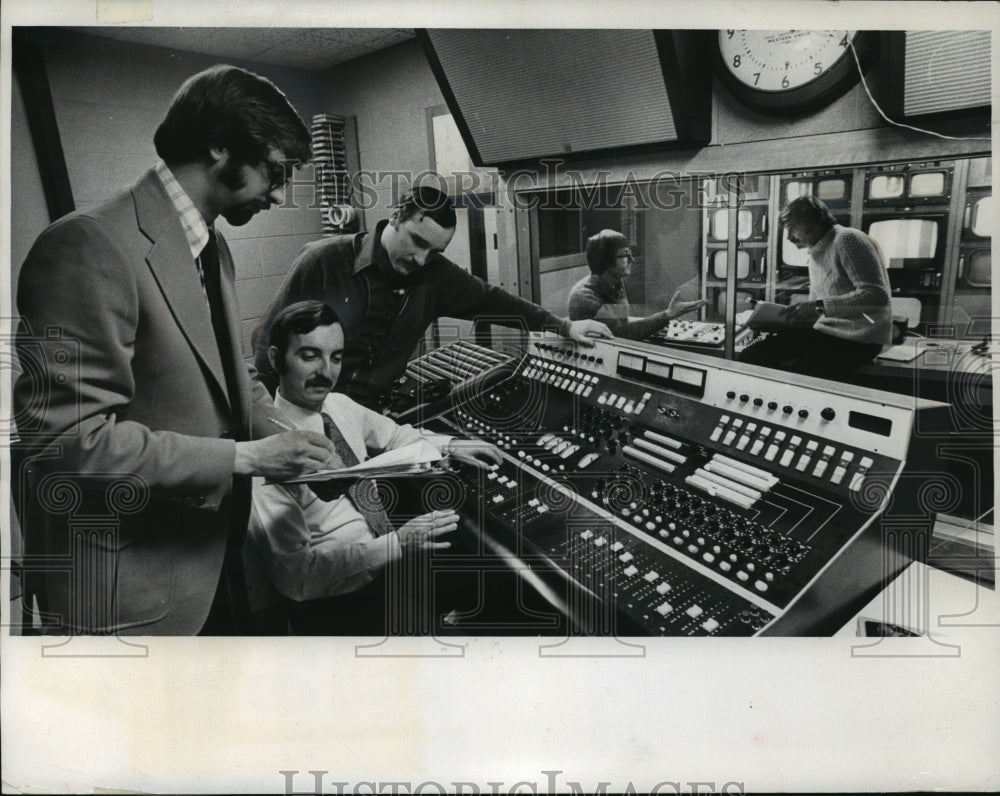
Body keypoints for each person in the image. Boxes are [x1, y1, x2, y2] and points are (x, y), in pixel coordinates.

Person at [13, 65, 340, 635]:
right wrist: (247, 458)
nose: (282, 194)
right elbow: (66, 446)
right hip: (128, 589)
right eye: (275, 170)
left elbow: (228, 372)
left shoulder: (211, 245)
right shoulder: (87, 244)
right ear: (219, 146)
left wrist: (288, 440)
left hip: (206, 563)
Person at [245, 301, 501, 634]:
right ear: (276, 358)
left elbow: (395, 435)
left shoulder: (339, 405)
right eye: (310, 356)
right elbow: (297, 578)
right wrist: (398, 544)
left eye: (335, 357)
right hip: (337, 606)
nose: (326, 372)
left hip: (388, 567)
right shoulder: (268, 454)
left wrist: (452, 445)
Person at [251, 186, 614, 408]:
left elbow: (494, 300)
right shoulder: (323, 258)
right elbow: (267, 343)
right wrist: (278, 421)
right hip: (309, 409)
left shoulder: (434, 274)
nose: (422, 260)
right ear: (395, 217)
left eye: (434, 251)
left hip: (371, 414)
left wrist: (564, 325)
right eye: (419, 242)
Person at [737, 196, 892, 377]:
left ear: (812, 221)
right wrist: (785, 321)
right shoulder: (817, 250)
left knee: (796, 376)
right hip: (828, 334)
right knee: (751, 357)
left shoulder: (848, 239)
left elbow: (876, 295)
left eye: (792, 228)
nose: (788, 237)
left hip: (857, 340)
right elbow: (820, 309)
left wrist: (817, 307)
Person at [567, 229, 706, 339]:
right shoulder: (585, 297)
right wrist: (667, 315)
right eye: (625, 255)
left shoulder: (615, 283)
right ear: (606, 261)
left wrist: (662, 318)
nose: (632, 260)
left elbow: (624, 322)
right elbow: (622, 335)